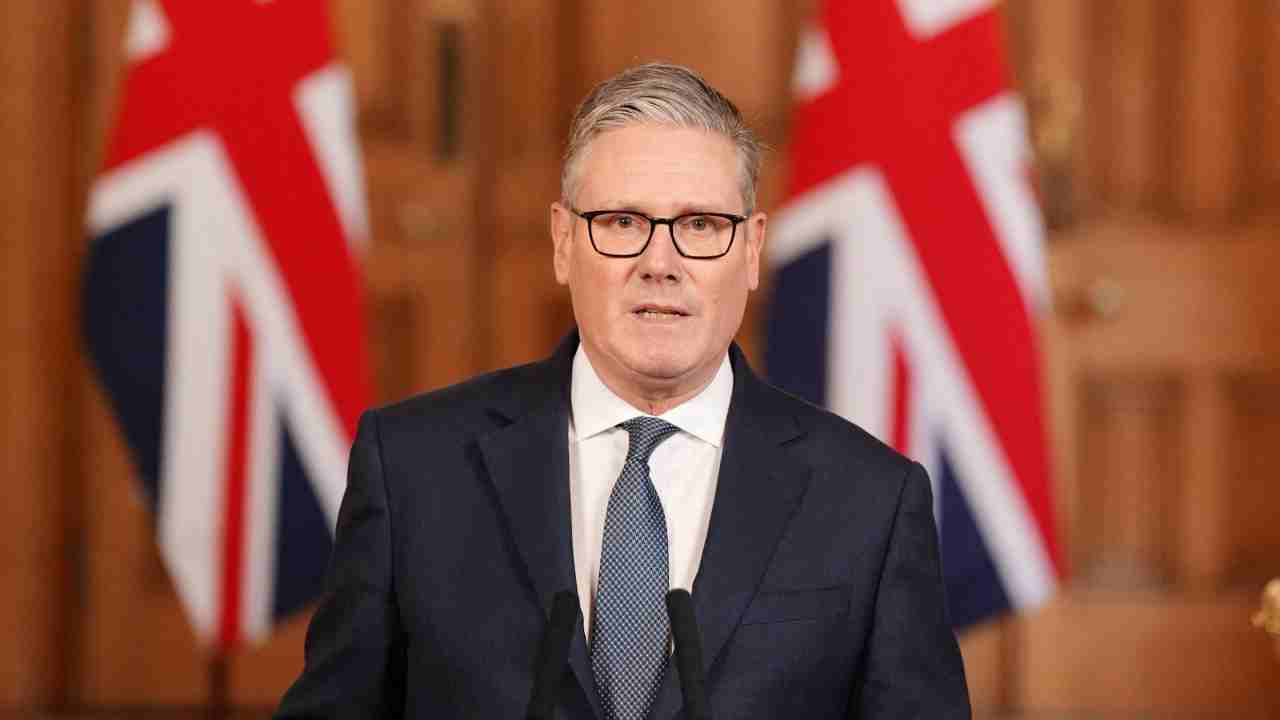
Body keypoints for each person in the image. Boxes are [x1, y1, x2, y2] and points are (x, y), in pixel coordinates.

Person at [276, 62, 969, 719]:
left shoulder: (872, 502)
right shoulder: (413, 470)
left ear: (752, 250)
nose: (659, 263)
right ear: (562, 241)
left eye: (700, 225)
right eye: (622, 223)